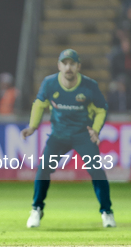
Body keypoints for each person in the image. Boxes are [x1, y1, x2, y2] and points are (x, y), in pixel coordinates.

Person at [21, 49, 114, 228]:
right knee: (43, 169)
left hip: (83, 136)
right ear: (59, 66)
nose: (68, 67)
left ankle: (107, 212)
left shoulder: (89, 85)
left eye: (72, 63)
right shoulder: (49, 84)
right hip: (58, 135)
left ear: (78, 66)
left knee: (97, 171)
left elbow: (102, 109)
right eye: (65, 63)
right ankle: (36, 209)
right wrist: (32, 126)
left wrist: (95, 129)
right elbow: (39, 105)